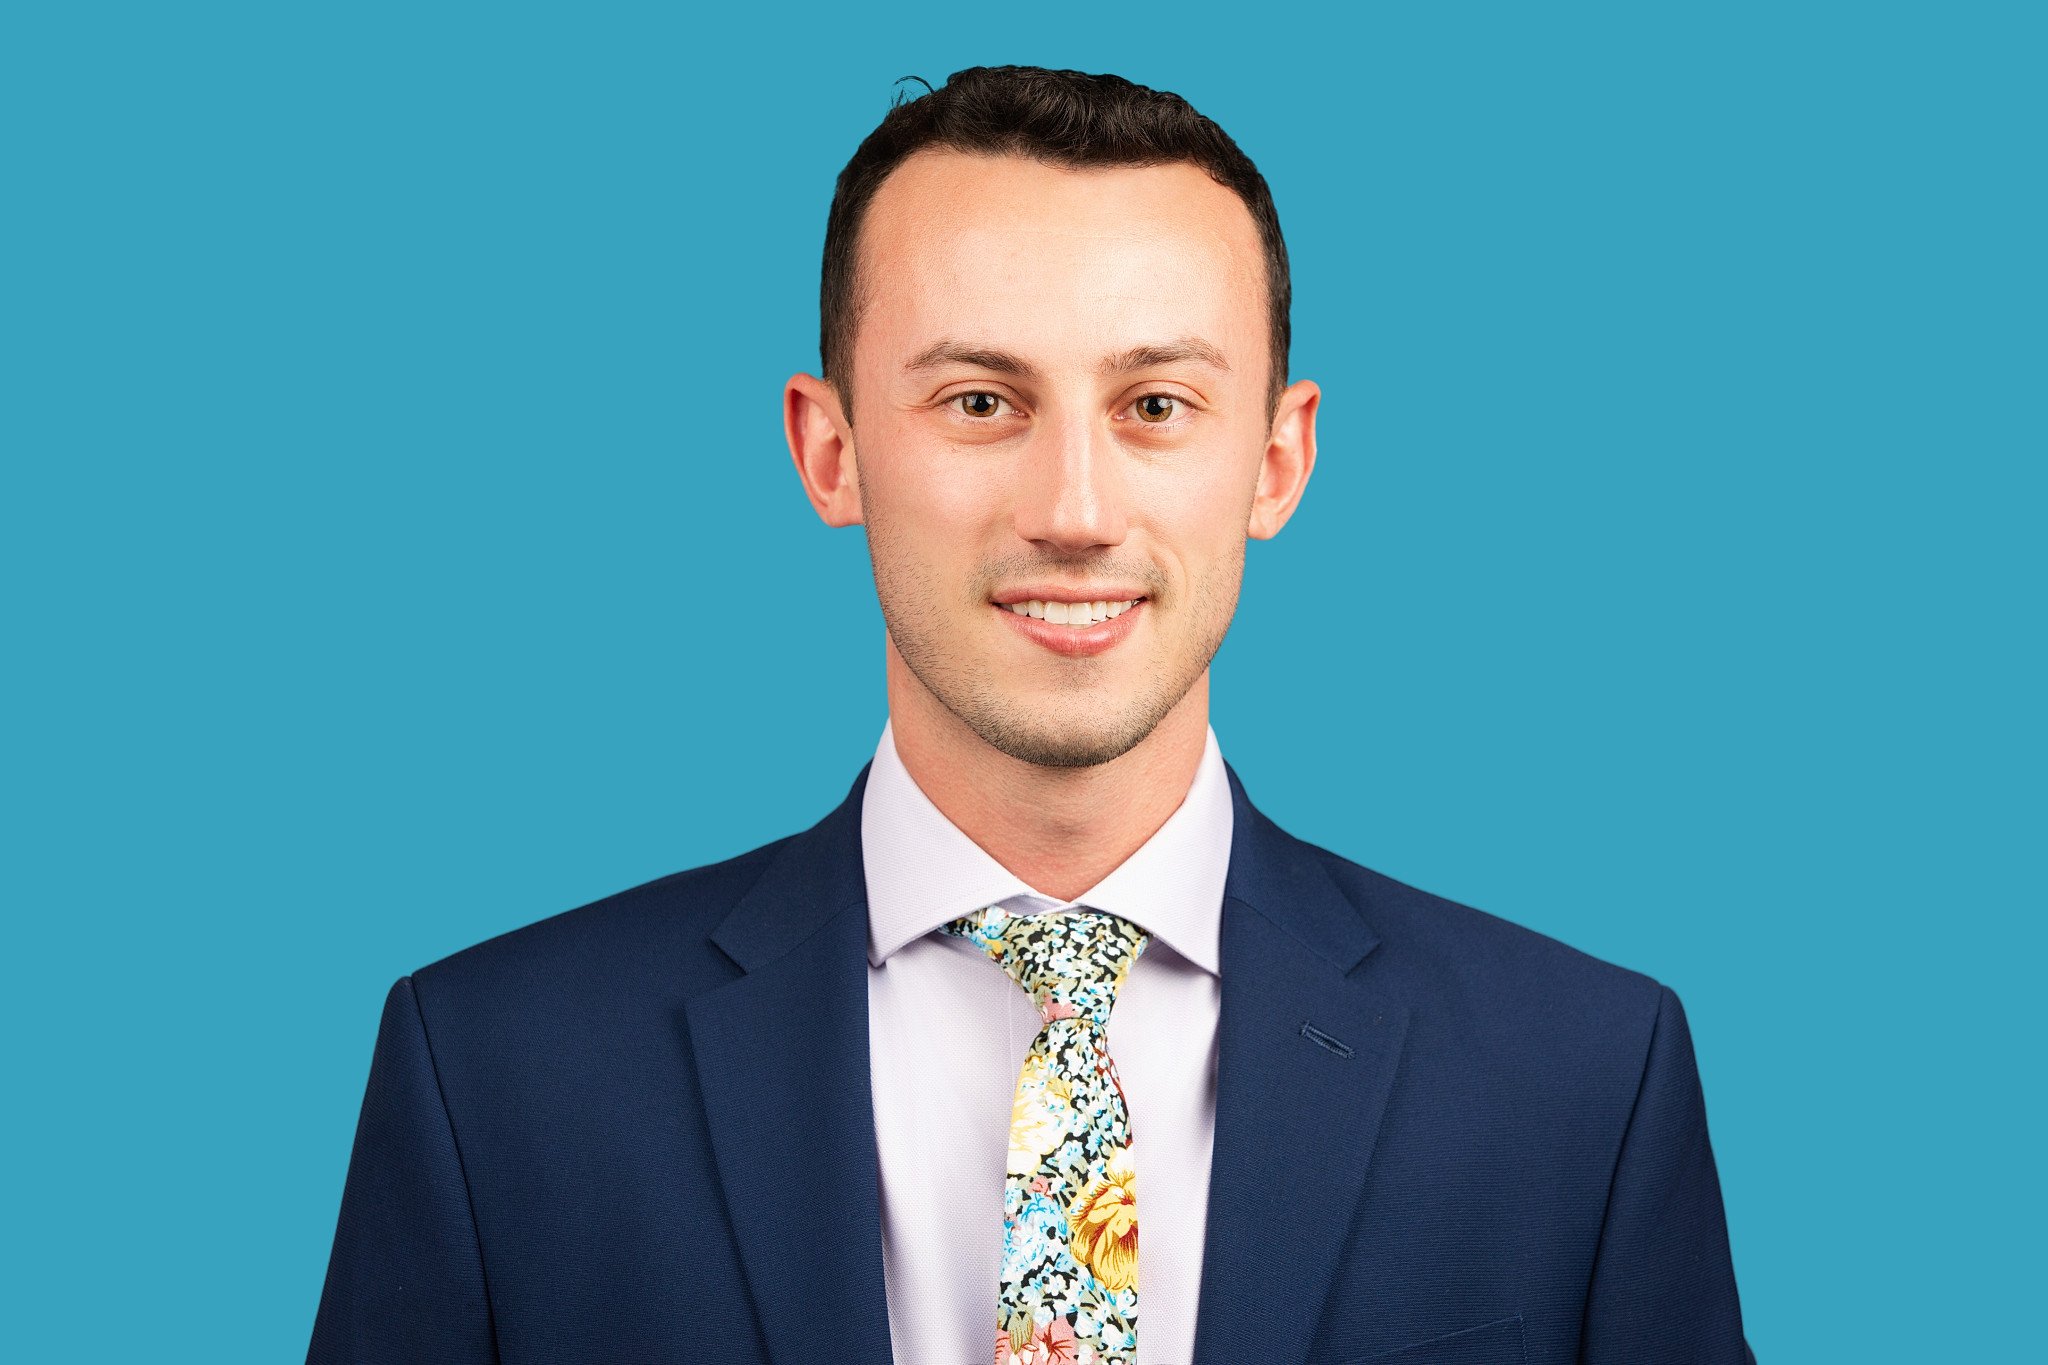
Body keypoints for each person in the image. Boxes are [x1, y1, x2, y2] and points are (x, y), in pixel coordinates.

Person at [308, 66, 1753, 1365]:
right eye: (982, 402)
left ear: (1277, 459)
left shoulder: (1582, 1080)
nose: (1073, 511)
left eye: (1156, 405)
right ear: (831, 448)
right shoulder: (497, 1079)